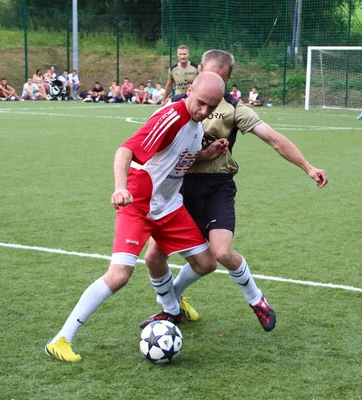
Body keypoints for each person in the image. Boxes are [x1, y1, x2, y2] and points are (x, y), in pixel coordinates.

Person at [44, 72, 227, 363]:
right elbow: (125, 150)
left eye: (211, 107)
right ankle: (61, 339)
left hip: (168, 206)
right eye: (201, 103)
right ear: (190, 89)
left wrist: (207, 153)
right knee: (119, 276)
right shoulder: (170, 116)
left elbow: (180, 159)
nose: (204, 111)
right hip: (138, 202)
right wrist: (120, 187)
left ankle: (169, 303)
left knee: (206, 263)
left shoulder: (195, 123)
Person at [142, 49, 328, 332]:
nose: (212, 87)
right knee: (155, 256)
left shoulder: (234, 108)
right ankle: (171, 307)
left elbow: (274, 139)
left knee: (222, 252)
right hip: (180, 187)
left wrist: (308, 167)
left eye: (219, 80)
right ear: (198, 71)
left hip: (217, 186)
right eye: (207, 76)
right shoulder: (176, 105)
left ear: (227, 80)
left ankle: (256, 300)